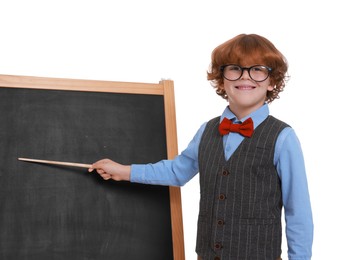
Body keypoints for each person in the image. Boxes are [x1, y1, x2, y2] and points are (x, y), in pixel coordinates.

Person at [89, 34, 313, 260]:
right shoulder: (207, 130)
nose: (245, 76)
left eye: (257, 69)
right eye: (235, 68)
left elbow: (298, 213)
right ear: (222, 79)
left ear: (272, 81)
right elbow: (177, 171)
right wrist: (124, 171)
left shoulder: (283, 138)